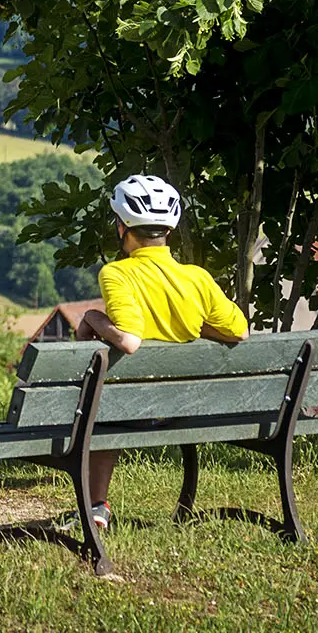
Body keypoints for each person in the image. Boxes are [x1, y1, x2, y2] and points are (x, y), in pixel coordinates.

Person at [73, 174, 249, 528]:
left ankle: (96, 508)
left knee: (102, 410)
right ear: (168, 230)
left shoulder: (117, 274)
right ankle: (96, 508)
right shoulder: (197, 277)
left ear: (122, 227)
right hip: (186, 406)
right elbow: (240, 333)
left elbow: (129, 341)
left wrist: (92, 316)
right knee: (109, 407)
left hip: (133, 409)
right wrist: (198, 325)